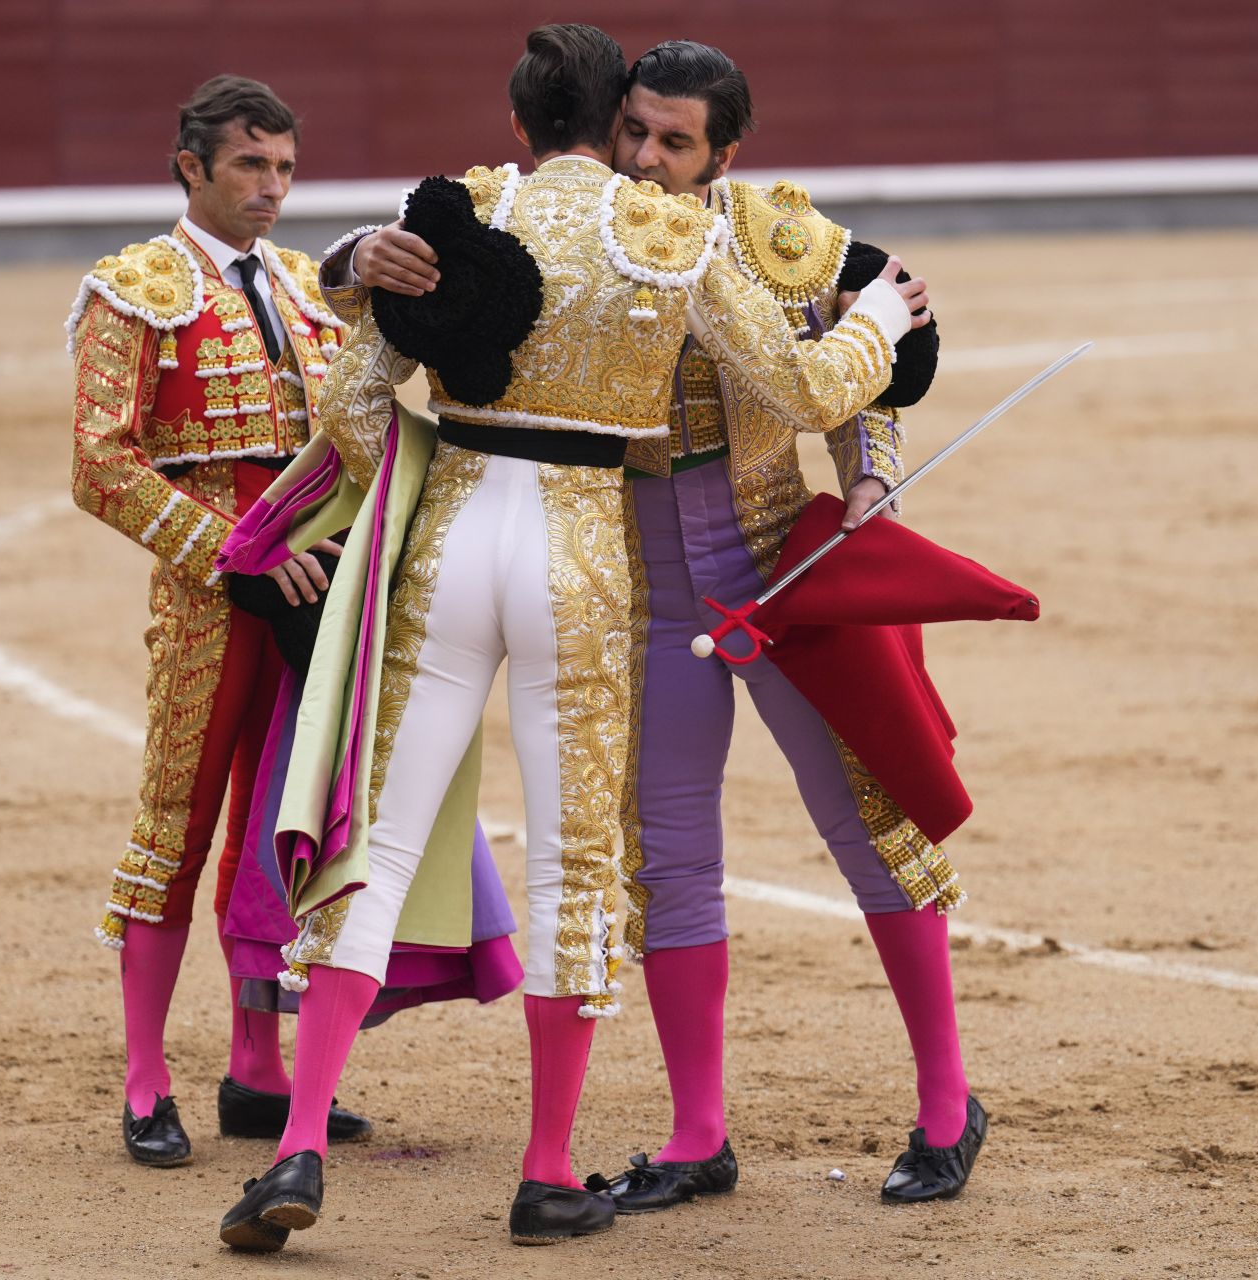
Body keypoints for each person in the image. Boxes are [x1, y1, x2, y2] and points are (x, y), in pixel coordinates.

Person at [216, 24, 922, 1253]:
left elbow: (347, 401)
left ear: (518, 124)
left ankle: (300, 1141)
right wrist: (872, 318)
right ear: (613, 129)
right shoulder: (673, 233)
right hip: (582, 547)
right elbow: (802, 394)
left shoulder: (450, 214)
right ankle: (547, 1167)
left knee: (375, 840)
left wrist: (410, 490)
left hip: (454, 537)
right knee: (575, 852)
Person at [64, 74, 369, 1168]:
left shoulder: (306, 285)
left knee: (272, 831)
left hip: (309, 591)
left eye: (285, 167)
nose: (273, 189)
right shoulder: (136, 286)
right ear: (191, 167)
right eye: (251, 165)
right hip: (208, 600)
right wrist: (225, 551)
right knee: (177, 822)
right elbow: (100, 465)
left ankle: (256, 1069)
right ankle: (147, 1079)